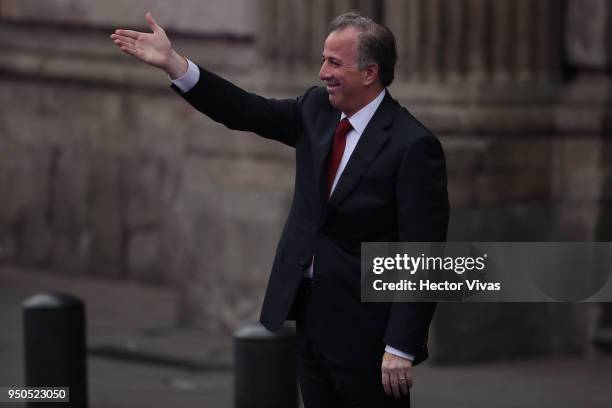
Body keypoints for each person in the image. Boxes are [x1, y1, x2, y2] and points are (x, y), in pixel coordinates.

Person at [111, 11, 448, 407]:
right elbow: (244, 110)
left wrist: (401, 346)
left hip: (368, 337)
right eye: (324, 59)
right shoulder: (315, 111)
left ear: (370, 72)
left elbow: (422, 252)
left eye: (334, 62)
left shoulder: (412, 145)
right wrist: (175, 65)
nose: (322, 72)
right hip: (311, 322)